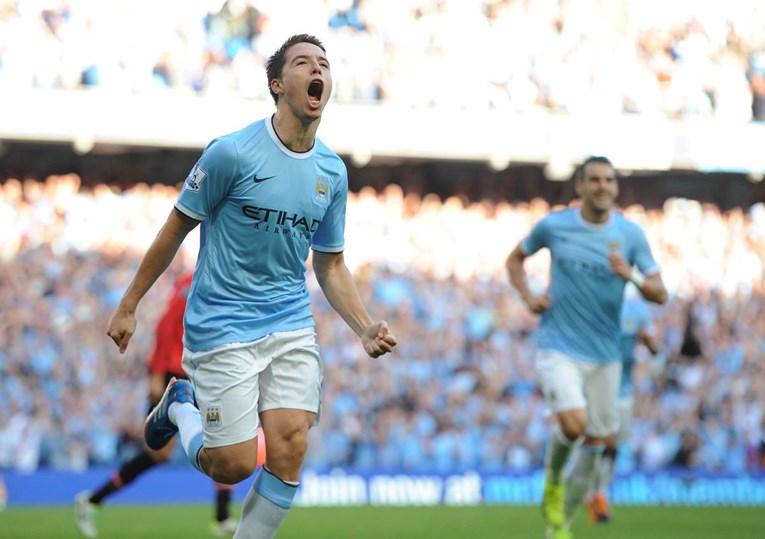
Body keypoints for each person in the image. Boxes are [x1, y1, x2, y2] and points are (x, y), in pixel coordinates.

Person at [106, 33, 397, 539]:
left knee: (290, 447)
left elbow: (330, 264)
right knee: (233, 464)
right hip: (222, 322)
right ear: (277, 85)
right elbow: (175, 229)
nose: (318, 70)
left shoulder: (331, 172)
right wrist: (129, 303)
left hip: (289, 321)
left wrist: (364, 325)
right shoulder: (231, 153)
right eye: (303, 63)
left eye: (324, 64)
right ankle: (180, 405)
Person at [505, 155, 667, 539]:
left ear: (616, 187)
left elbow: (660, 293)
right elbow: (514, 261)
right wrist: (528, 295)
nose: (602, 186)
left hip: (606, 356)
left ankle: (560, 524)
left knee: (596, 441)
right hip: (558, 344)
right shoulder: (555, 225)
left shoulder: (630, 235)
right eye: (594, 179)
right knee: (574, 425)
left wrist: (631, 276)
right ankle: (553, 481)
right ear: (580, 186)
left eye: (608, 180)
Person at [76, 270, 257, 538]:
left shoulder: (225, 281)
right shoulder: (198, 280)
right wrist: (157, 375)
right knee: (159, 453)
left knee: (220, 439)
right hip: (175, 374)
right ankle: (93, 500)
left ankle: (221, 516)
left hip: (201, 373)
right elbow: (166, 325)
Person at [585, 286, 661, 523]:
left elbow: (655, 349)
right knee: (602, 440)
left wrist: (647, 341)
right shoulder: (597, 307)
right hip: (601, 386)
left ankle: (598, 490)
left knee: (614, 446)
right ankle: (596, 493)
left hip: (625, 390)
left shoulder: (638, 311)